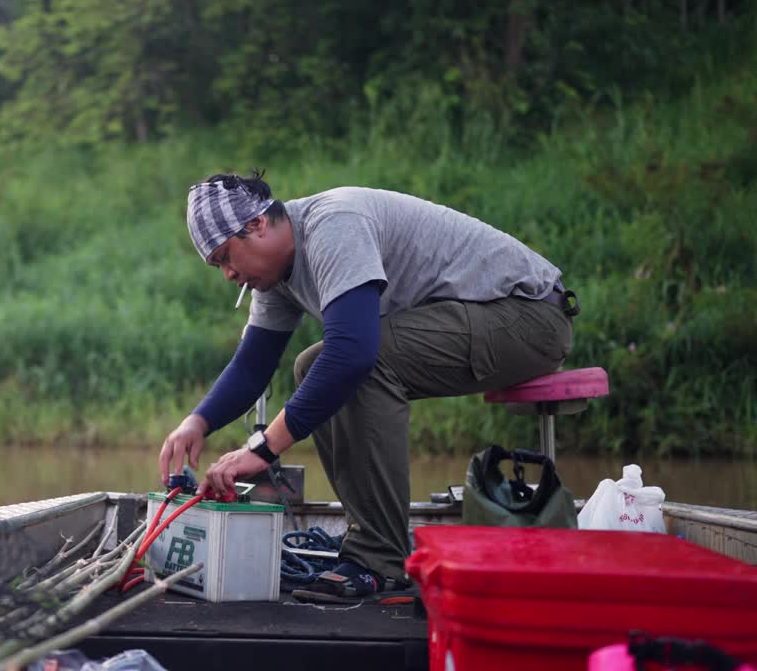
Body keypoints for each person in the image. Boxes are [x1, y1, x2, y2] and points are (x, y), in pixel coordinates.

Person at [157, 170, 576, 599]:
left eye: (227, 256)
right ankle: (369, 545)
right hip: (484, 320)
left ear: (258, 224)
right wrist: (198, 422)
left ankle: (378, 558)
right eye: (217, 265)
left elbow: (353, 353)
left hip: (528, 316)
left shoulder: (332, 225)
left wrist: (264, 448)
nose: (228, 273)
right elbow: (253, 366)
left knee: (356, 362)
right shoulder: (276, 274)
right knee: (312, 367)